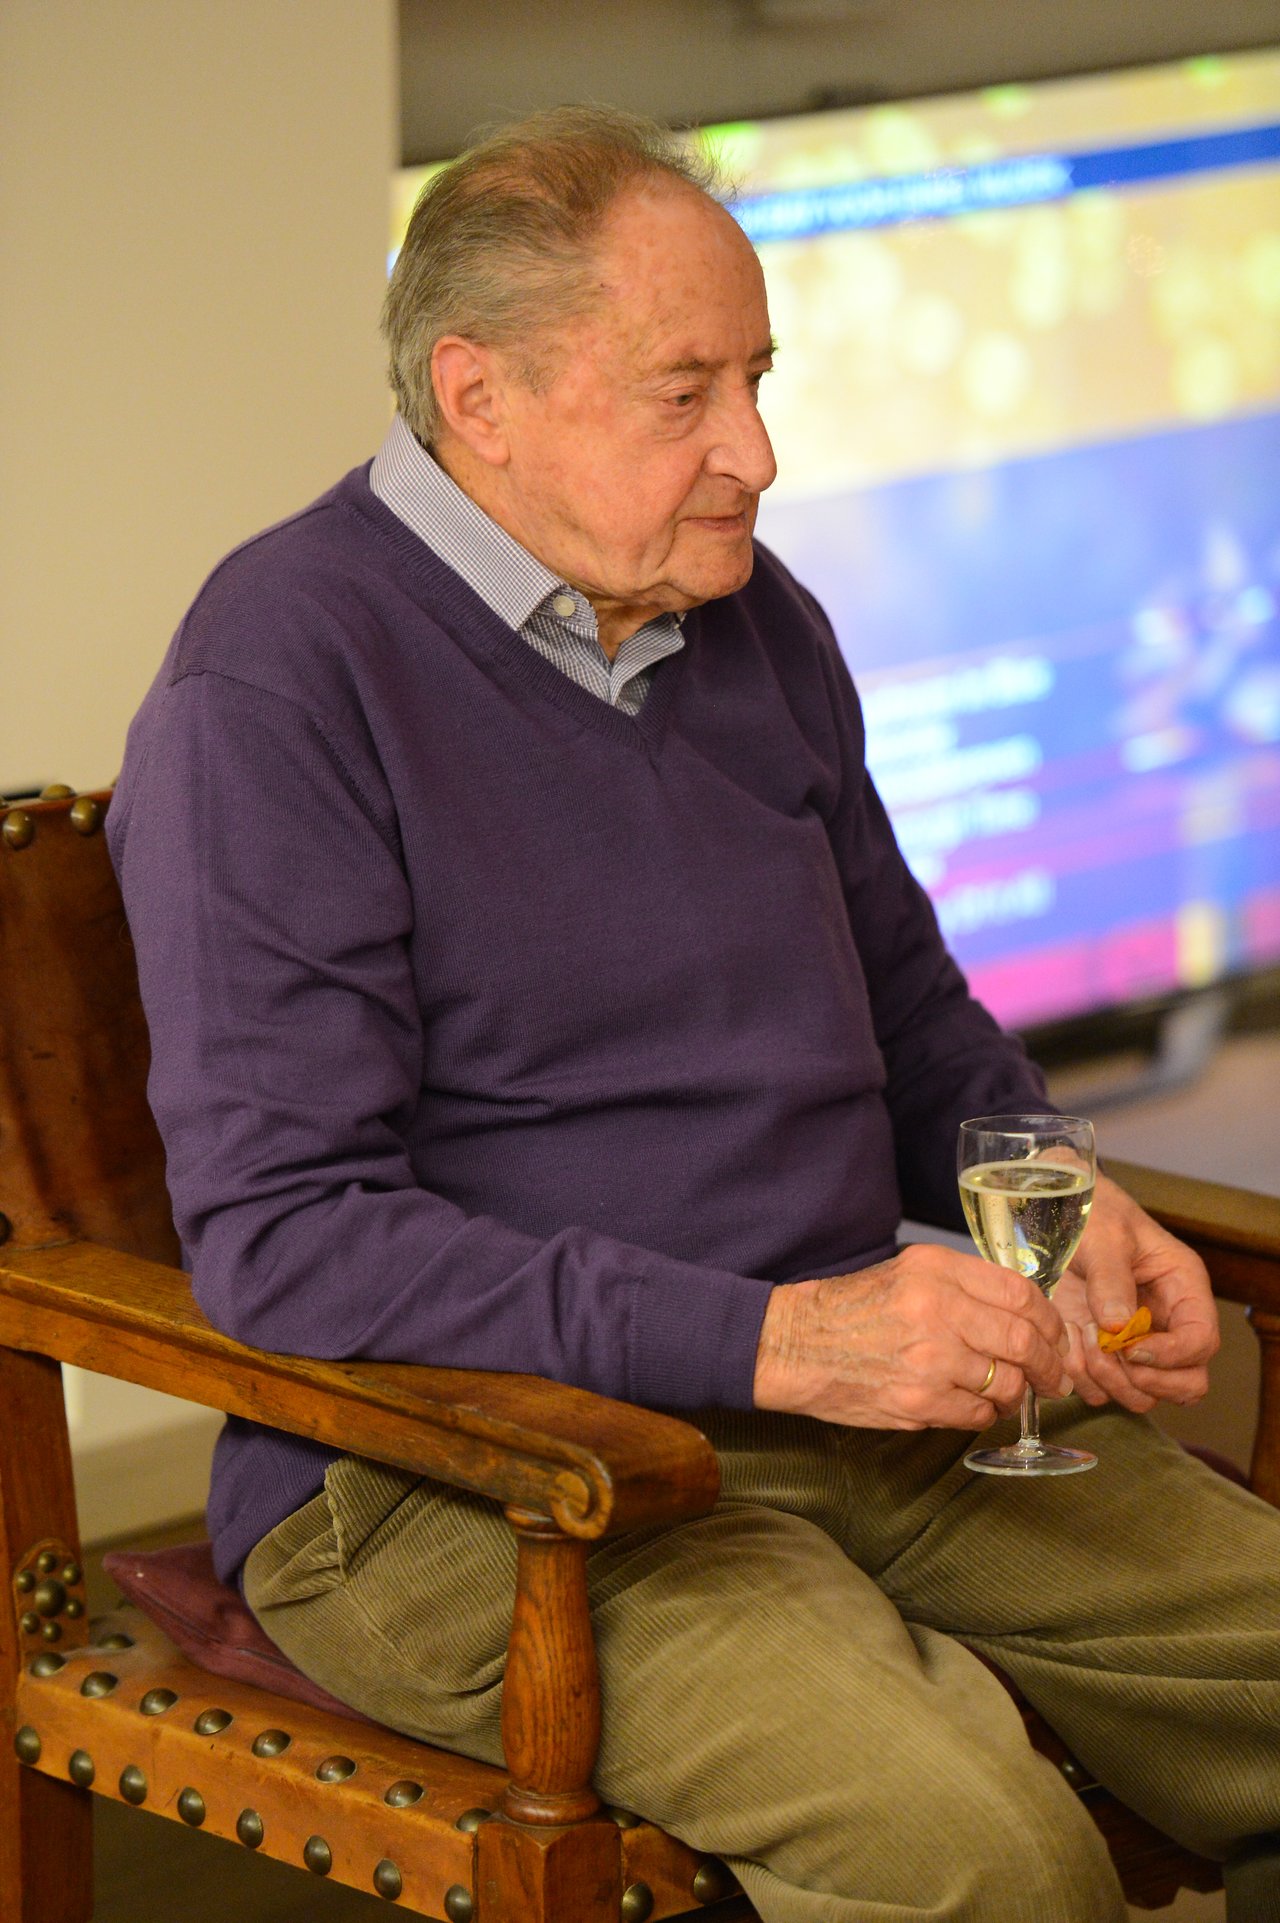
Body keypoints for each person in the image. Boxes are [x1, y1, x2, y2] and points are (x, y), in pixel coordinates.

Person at [107, 107, 1280, 1923]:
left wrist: (1043, 1190)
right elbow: (287, 1243)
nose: (759, 449)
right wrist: (781, 1344)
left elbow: (907, 1006)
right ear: (479, 396)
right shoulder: (279, 678)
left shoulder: (750, 619)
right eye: (687, 394)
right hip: (475, 1470)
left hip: (862, 1393)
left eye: (757, 377)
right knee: (979, 1855)